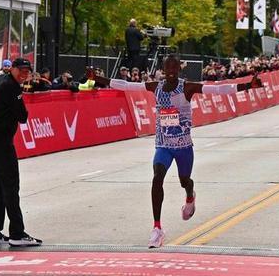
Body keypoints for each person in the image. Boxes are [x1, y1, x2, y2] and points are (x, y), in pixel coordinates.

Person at [87, 54, 261, 248]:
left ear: (179, 69)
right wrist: (98, 80)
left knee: (184, 180)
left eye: (174, 68)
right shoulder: (156, 87)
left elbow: (218, 89)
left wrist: (247, 86)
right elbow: (127, 86)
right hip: (163, 145)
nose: (170, 71)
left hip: (183, 147)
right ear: (162, 69)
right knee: (157, 177)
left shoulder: (187, 87)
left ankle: (190, 195)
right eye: (167, 67)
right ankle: (157, 228)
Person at [0, 58, 42, 247]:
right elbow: (23, 117)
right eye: (20, 70)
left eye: (27, 71)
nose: (24, 74)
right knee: (11, 185)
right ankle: (17, 233)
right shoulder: (12, 87)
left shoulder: (1, 80)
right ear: (12, 69)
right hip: (1, 141)